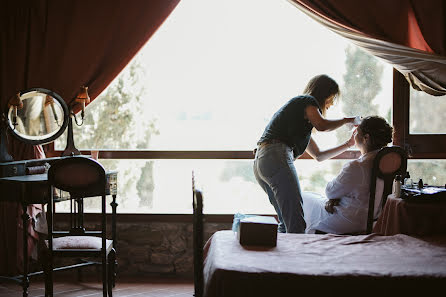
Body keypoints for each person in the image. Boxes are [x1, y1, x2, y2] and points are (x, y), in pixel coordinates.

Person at [253, 74, 358, 233]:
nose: (331, 104)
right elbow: (322, 125)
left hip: (263, 161)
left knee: (286, 221)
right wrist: (347, 120)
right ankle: (298, 257)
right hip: (275, 155)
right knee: (295, 221)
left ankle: (284, 257)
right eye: (332, 98)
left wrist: (348, 145)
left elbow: (319, 155)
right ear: (326, 94)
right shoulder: (306, 100)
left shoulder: (298, 124)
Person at [302, 116, 393, 234]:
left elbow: (330, 191)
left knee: (304, 198)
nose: (354, 135)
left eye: (356, 132)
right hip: (374, 222)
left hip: (349, 221)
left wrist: (335, 199)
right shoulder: (389, 164)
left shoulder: (357, 166)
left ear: (366, 138)